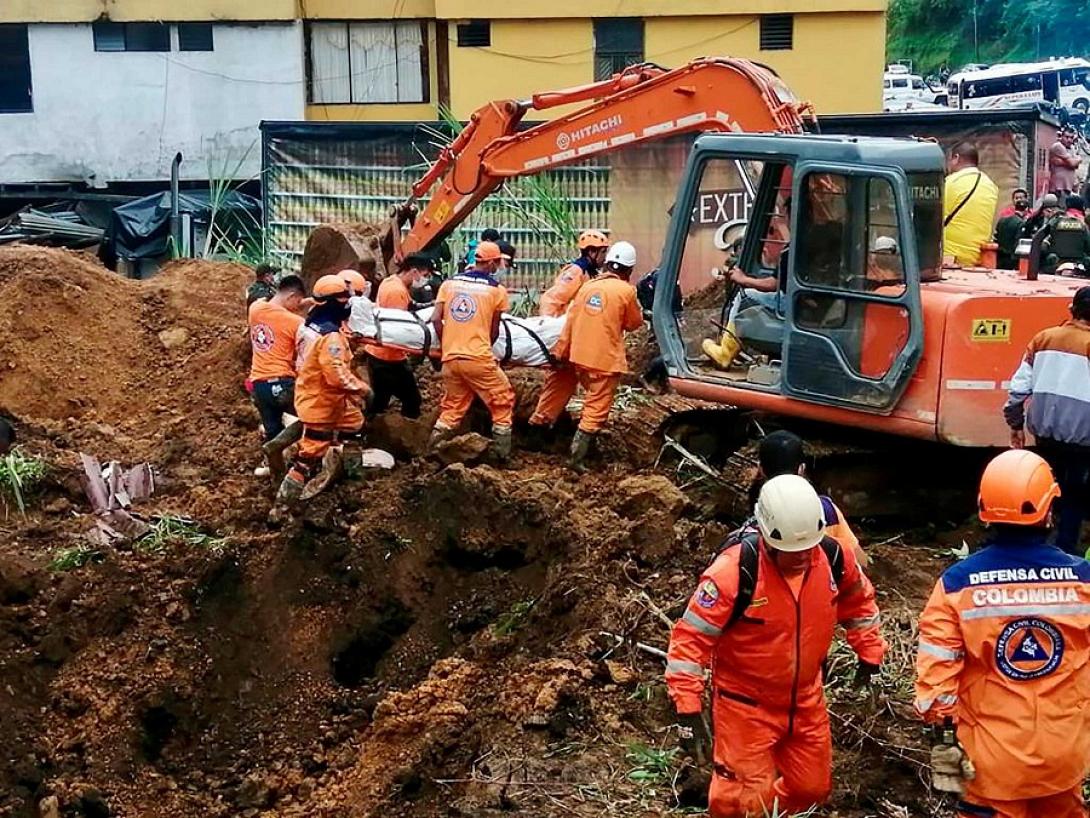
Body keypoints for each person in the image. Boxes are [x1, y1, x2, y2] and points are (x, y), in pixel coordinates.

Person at [665, 474, 886, 817]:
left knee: (812, 789)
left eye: (807, 549)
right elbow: (690, 640)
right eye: (791, 552)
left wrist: (870, 653)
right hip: (745, 706)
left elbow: (859, 604)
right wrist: (688, 708)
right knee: (743, 803)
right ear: (768, 538)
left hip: (806, 699)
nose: (801, 558)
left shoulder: (833, 558)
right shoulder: (733, 573)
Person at [915, 449, 1090, 817]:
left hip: (992, 770)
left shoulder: (956, 586)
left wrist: (947, 744)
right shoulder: (1083, 582)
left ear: (983, 510)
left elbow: (935, 693)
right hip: (1064, 760)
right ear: (1049, 511)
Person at [528, 241, 643, 470]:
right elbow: (633, 323)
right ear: (628, 270)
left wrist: (559, 352)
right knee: (596, 406)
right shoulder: (626, 291)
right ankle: (577, 457)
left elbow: (570, 322)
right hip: (604, 361)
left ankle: (535, 432)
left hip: (577, 357)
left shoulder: (586, 288)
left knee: (559, 387)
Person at [271, 275, 371, 520]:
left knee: (354, 426)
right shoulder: (330, 337)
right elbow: (336, 374)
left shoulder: (312, 324)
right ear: (332, 303)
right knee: (309, 457)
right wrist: (361, 388)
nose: (348, 303)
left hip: (327, 399)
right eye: (344, 298)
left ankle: (354, 485)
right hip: (321, 403)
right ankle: (281, 508)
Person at [1004, 286, 1090, 555]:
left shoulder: (1042, 339)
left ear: (1071, 309)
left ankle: (1037, 548)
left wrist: (1015, 424)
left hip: (1045, 436)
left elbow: (1018, 390)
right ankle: (1065, 555)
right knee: (1075, 497)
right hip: (1084, 440)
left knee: (1047, 492)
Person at [431, 240, 516, 460]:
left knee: (453, 407)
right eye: (498, 263)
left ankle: (431, 450)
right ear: (492, 263)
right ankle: (501, 456)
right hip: (478, 358)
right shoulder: (496, 291)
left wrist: (447, 344)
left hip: (450, 359)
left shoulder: (449, 284)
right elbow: (494, 330)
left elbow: (435, 319)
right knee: (502, 400)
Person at [750, 430, 868, 566]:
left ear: (761, 469)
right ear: (801, 469)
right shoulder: (827, 511)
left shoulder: (758, 519)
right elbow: (861, 562)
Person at [247, 275, 306, 477]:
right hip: (283, 383)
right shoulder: (296, 322)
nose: (298, 307)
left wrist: (302, 301)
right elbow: (302, 358)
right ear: (292, 296)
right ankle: (304, 464)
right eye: (298, 302)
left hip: (258, 386)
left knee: (272, 430)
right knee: (314, 418)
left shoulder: (255, 310)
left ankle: (276, 475)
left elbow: (268, 301)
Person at [364, 255, 433, 419]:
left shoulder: (391, 282)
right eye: (425, 275)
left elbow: (410, 307)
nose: (426, 280)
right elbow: (399, 327)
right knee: (412, 400)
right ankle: (405, 436)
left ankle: (369, 432)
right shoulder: (396, 291)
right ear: (414, 271)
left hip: (380, 353)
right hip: (389, 357)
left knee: (381, 399)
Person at [943, 143, 999, 267]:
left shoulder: (950, 182)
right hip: (979, 259)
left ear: (956, 158)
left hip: (950, 259)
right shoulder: (990, 185)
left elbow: (932, 220)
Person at [538, 229, 610, 317]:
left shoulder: (590, 273)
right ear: (592, 252)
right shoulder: (576, 271)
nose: (605, 257)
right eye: (603, 252)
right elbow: (552, 298)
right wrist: (548, 323)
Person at [994, 190, 1031, 270]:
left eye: (1021, 197)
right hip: (1012, 258)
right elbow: (1018, 241)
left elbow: (996, 236)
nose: (1018, 199)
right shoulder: (1020, 223)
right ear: (1026, 209)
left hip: (999, 256)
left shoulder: (1002, 220)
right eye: (1016, 198)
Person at [1049, 127, 1082, 200]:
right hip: (1058, 187)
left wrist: (1064, 162)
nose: (1069, 140)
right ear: (1062, 137)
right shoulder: (1058, 146)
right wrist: (1079, 159)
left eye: (1071, 137)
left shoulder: (1071, 148)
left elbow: (1075, 166)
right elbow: (1073, 163)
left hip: (1068, 187)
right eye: (1067, 137)